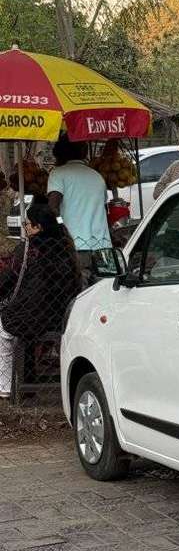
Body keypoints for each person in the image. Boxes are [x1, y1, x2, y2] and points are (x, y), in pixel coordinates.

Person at [0, 202, 81, 398]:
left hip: (30, 319)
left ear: (38, 227)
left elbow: (7, 281)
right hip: (61, 317)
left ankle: (5, 388)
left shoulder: (27, 250)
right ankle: (24, 383)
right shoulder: (67, 248)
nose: (25, 227)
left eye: (27, 224)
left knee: (3, 333)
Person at [47, 133, 111, 283]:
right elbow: (103, 210)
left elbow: (52, 208)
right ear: (84, 152)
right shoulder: (97, 176)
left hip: (76, 246)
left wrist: (60, 225)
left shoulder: (58, 174)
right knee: (104, 296)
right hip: (104, 247)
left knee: (80, 297)